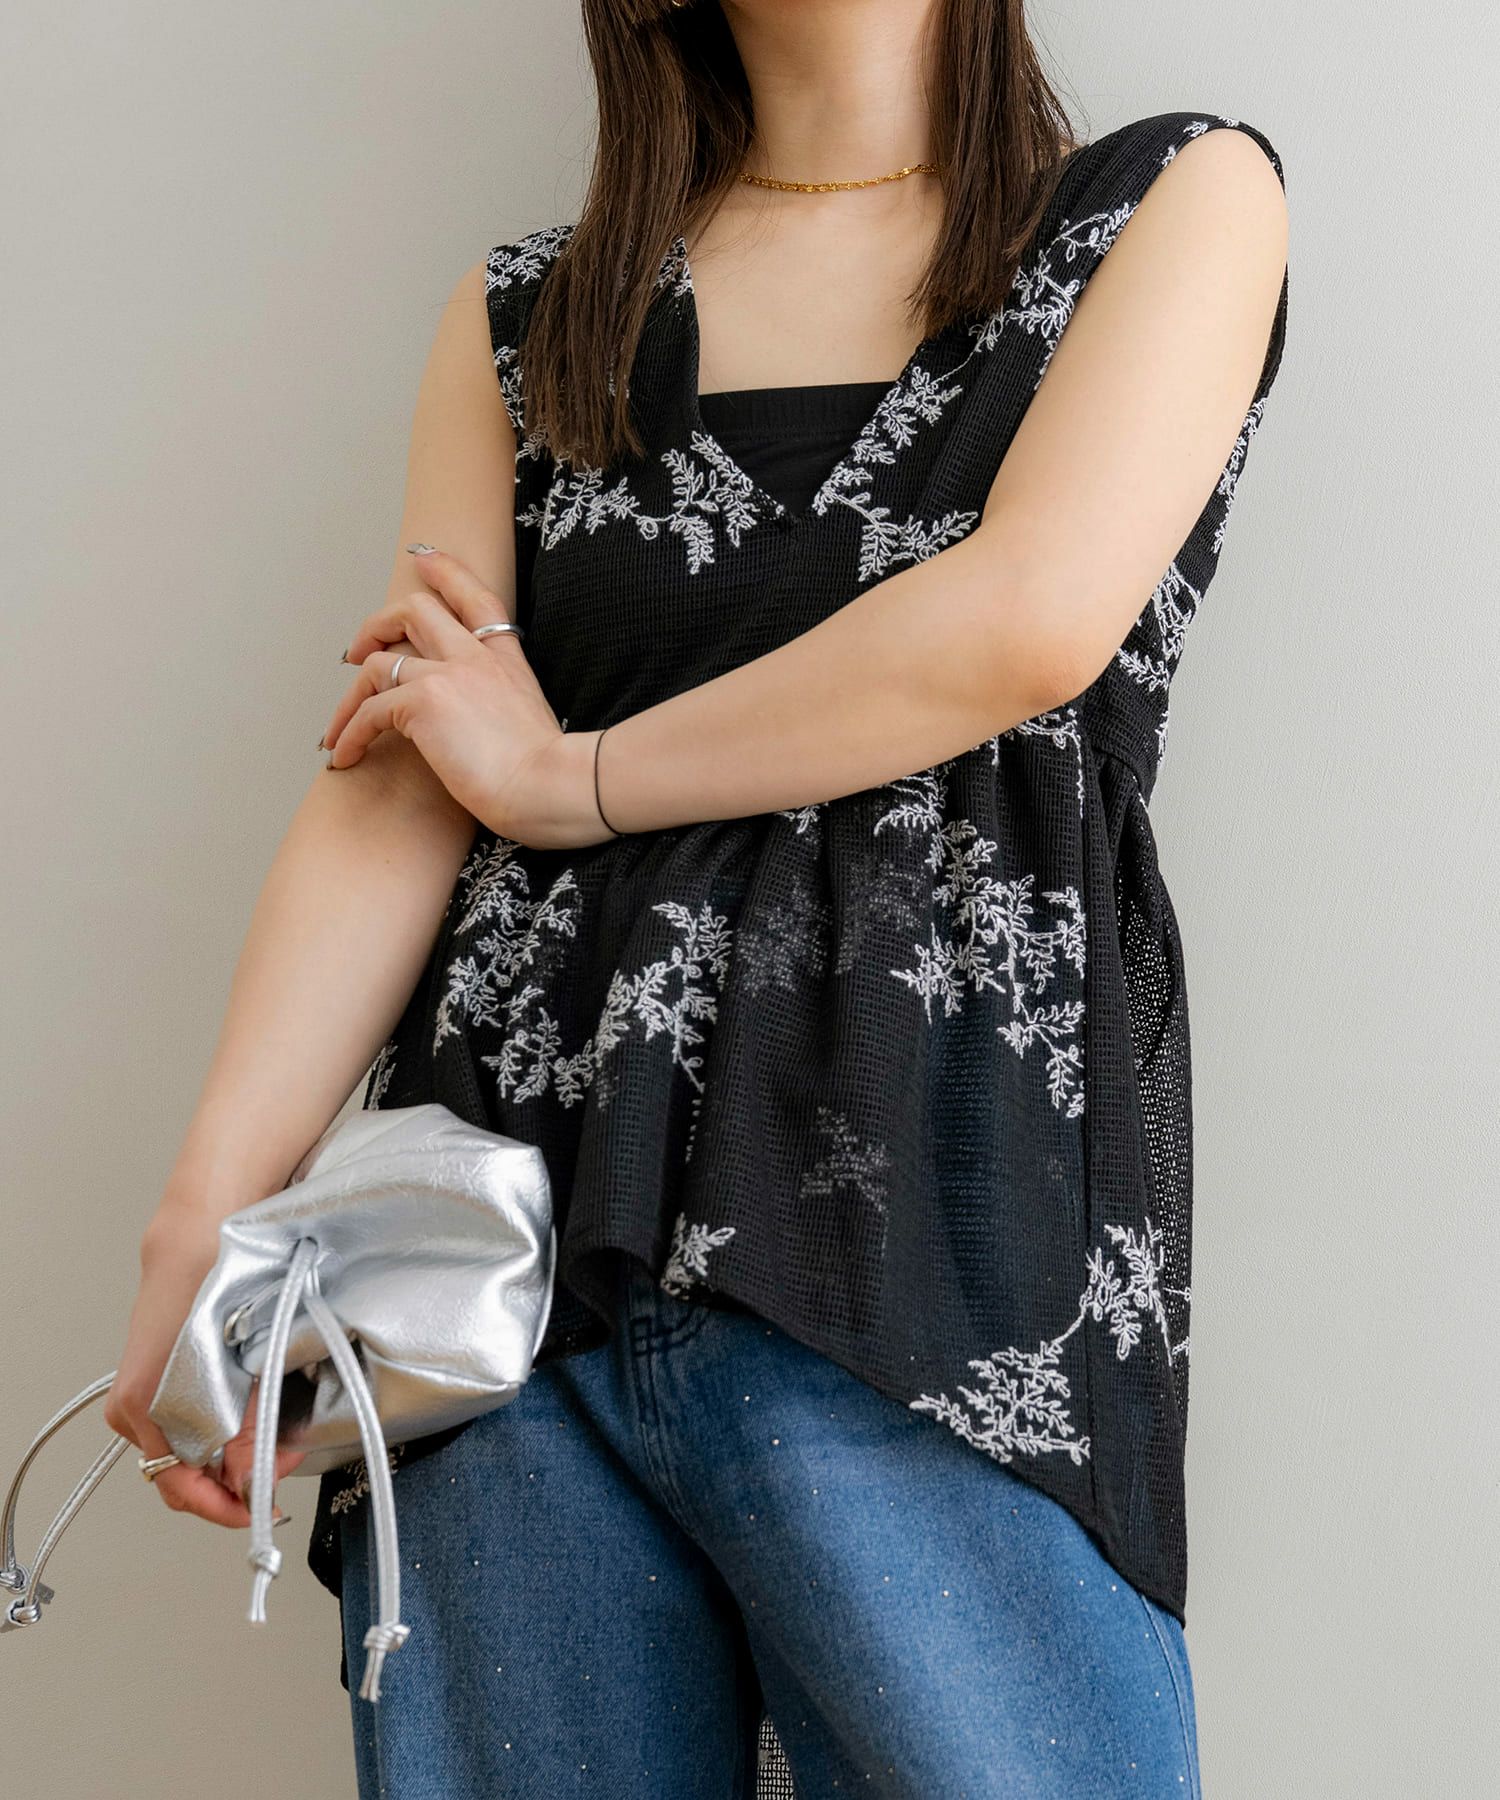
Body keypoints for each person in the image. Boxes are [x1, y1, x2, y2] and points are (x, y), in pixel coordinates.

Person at [104, 0, 1289, 1793]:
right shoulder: (533, 319)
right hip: (499, 1283)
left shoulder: (1170, 203)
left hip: (928, 1258)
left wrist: (567, 777)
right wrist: (204, 1217)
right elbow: (407, 770)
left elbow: (1022, 622)